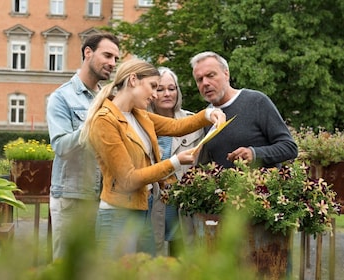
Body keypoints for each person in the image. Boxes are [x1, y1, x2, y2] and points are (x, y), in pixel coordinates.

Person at [79, 58, 226, 259]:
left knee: (146, 271)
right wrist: (175, 162)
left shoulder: (138, 115)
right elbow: (128, 179)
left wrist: (210, 114)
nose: (156, 94)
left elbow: (176, 126)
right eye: (153, 86)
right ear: (133, 80)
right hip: (118, 215)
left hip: (143, 208)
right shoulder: (105, 120)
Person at [182, 51, 298, 247]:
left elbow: (289, 147)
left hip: (262, 214)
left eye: (211, 75)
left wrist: (254, 153)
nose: (205, 83)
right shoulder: (207, 118)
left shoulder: (256, 102)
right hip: (224, 215)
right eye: (199, 79)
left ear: (226, 74)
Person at [46, 32, 120, 261]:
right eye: (107, 55)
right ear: (88, 53)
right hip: (72, 198)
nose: (112, 63)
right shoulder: (61, 97)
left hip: (103, 198)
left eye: (116, 59)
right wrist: (93, 123)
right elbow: (60, 146)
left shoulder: (107, 99)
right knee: (68, 267)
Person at [149, 67, 204, 257]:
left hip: (182, 204)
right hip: (152, 203)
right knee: (150, 259)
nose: (166, 94)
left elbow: (201, 165)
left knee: (182, 258)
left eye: (171, 88)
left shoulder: (192, 123)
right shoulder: (141, 123)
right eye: (160, 88)